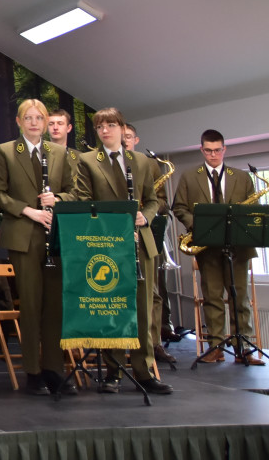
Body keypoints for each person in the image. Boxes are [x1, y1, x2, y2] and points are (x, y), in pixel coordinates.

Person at [73, 108, 173, 395]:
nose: (105, 130)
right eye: (100, 126)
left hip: (140, 241)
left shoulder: (140, 161)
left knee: (143, 309)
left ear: (121, 128)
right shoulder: (88, 161)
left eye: (111, 125)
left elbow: (153, 200)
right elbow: (83, 200)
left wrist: (146, 216)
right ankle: (114, 372)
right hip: (107, 242)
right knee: (113, 305)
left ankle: (144, 371)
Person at [0, 99, 77, 396]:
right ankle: (33, 372)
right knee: (31, 305)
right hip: (24, 235)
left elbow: (75, 191)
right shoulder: (7, 151)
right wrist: (29, 211)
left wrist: (59, 201)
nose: (36, 123)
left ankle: (54, 368)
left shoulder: (60, 152)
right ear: (19, 121)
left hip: (55, 236)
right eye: (30, 118)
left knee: (54, 307)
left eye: (40, 118)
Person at [173, 129, 262, 366]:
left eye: (218, 150)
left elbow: (253, 211)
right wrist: (199, 226)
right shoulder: (189, 176)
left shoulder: (242, 177)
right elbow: (179, 207)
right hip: (207, 246)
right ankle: (216, 347)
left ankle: (244, 349)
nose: (213, 154)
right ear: (202, 150)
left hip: (238, 247)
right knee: (212, 297)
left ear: (225, 150)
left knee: (239, 298)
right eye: (209, 150)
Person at [123, 122, 177, 364]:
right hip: (119, 234)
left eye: (128, 137)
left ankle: (153, 344)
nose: (124, 140)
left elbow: (163, 201)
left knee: (153, 293)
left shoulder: (150, 164)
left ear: (136, 139)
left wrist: (145, 211)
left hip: (147, 231)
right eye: (121, 136)